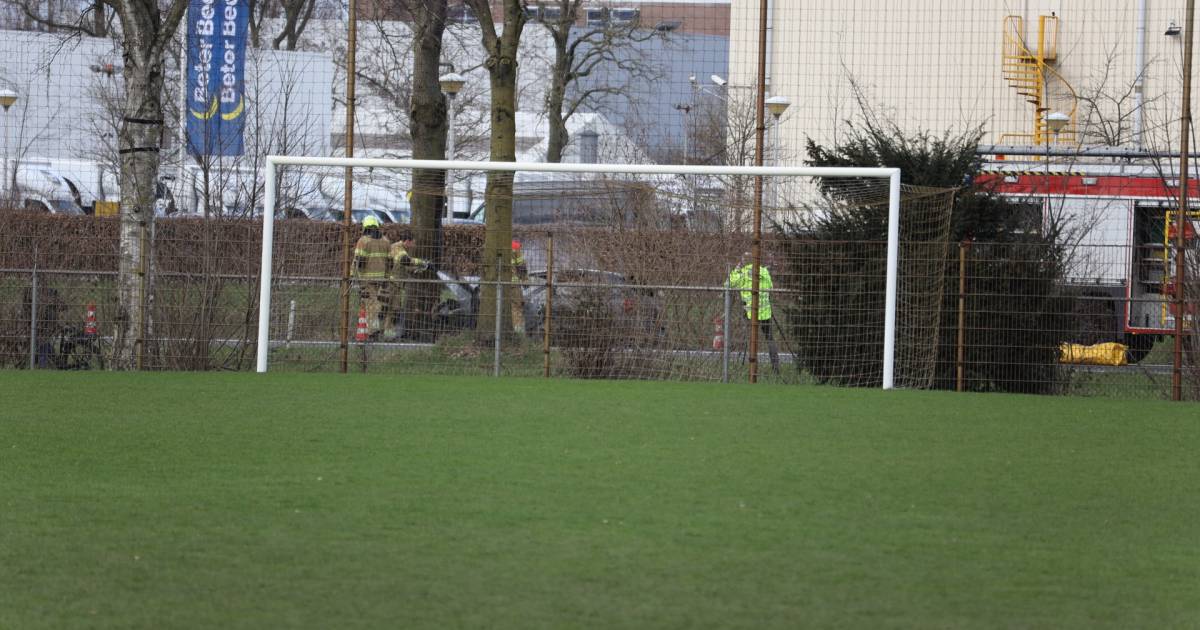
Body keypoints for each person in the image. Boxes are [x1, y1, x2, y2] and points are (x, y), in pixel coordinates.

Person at [728, 251, 781, 375]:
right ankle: (775, 366)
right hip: (765, 313)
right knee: (769, 339)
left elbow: (729, 283)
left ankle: (751, 368)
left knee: (751, 339)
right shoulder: (764, 271)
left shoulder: (743, 273)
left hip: (750, 312)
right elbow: (770, 287)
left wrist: (737, 268)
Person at [387, 228, 430, 340]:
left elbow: (404, 266)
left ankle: (391, 333)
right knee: (391, 309)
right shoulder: (398, 248)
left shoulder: (401, 249)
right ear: (408, 241)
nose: (414, 244)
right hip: (392, 284)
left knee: (394, 309)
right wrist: (422, 262)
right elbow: (405, 261)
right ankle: (388, 333)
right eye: (413, 242)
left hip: (396, 284)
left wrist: (417, 269)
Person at [352, 215, 391, 338]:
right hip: (381, 279)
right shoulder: (386, 241)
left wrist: (351, 276)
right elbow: (390, 262)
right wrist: (387, 277)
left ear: (365, 227)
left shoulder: (363, 241)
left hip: (366, 280)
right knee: (377, 303)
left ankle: (372, 331)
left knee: (371, 304)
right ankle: (379, 329)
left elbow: (357, 261)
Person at [510, 239, 527, 334]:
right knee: (517, 308)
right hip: (513, 284)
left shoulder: (493, 244)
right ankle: (518, 333)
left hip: (496, 283)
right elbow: (521, 266)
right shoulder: (515, 246)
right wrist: (525, 281)